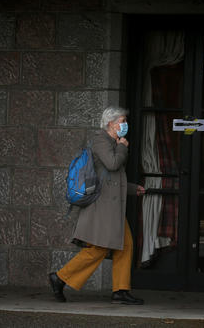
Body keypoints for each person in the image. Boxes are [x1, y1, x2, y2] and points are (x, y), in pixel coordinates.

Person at [49, 106, 146, 305]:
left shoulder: (111, 141)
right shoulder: (102, 140)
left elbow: (109, 179)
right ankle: (59, 278)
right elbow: (112, 164)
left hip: (110, 208)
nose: (125, 125)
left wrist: (132, 188)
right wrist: (123, 147)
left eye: (125, 121)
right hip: (101, 208)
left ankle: (120, 290)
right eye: (122, 121)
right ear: (110, 123)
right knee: (98, 250)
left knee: (125, 245)